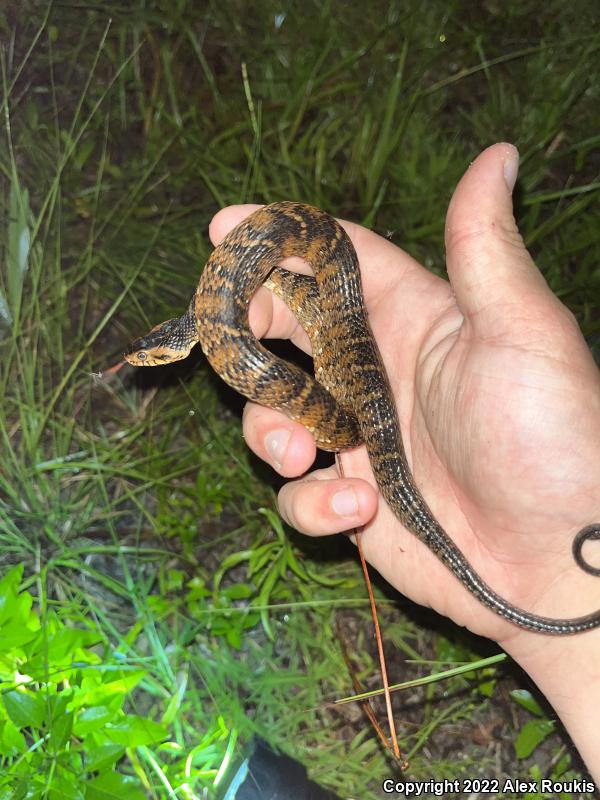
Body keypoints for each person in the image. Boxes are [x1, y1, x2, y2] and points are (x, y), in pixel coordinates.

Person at [208, 144, 600, 781]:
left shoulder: (295, 279)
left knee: (320, 421)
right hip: (333, 359)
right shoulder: (283, 299)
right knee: (326, 428)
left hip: (326, 324)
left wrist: (562, 560)